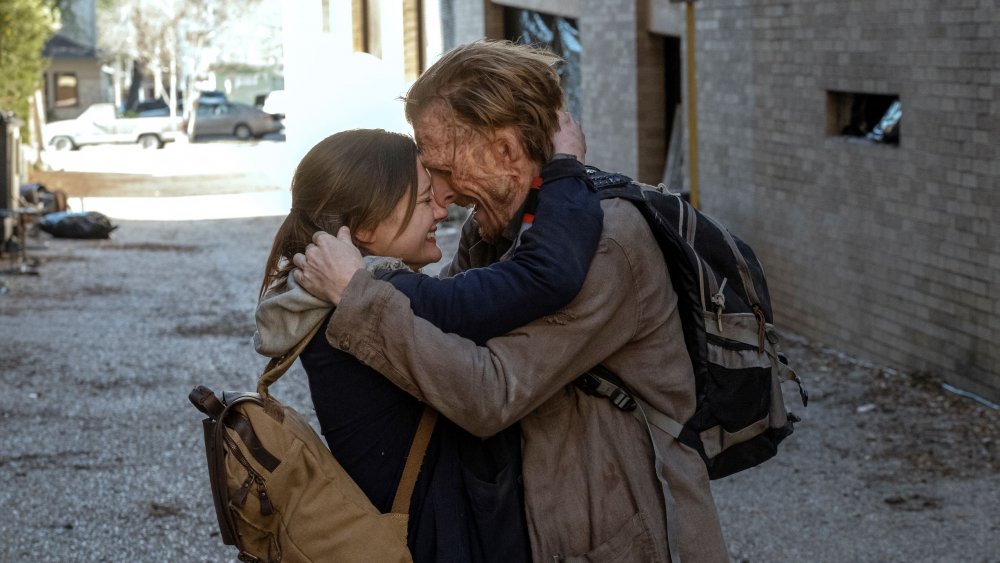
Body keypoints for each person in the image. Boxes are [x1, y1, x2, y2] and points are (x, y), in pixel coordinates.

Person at [292, 40, 731, 562]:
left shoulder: (604, 245)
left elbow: (489, 393)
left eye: (446, 170)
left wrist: (358, 297)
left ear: (504, 151)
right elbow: (443, 321)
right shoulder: (501, 229)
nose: (443, 194)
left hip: (627, 535)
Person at [255, 122, 601, 562]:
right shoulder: (383, 295)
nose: (441, 209)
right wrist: (566, 167)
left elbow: (467, 294)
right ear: (363, 227)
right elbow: (545, 275)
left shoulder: (338, 299)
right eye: (423, 200)